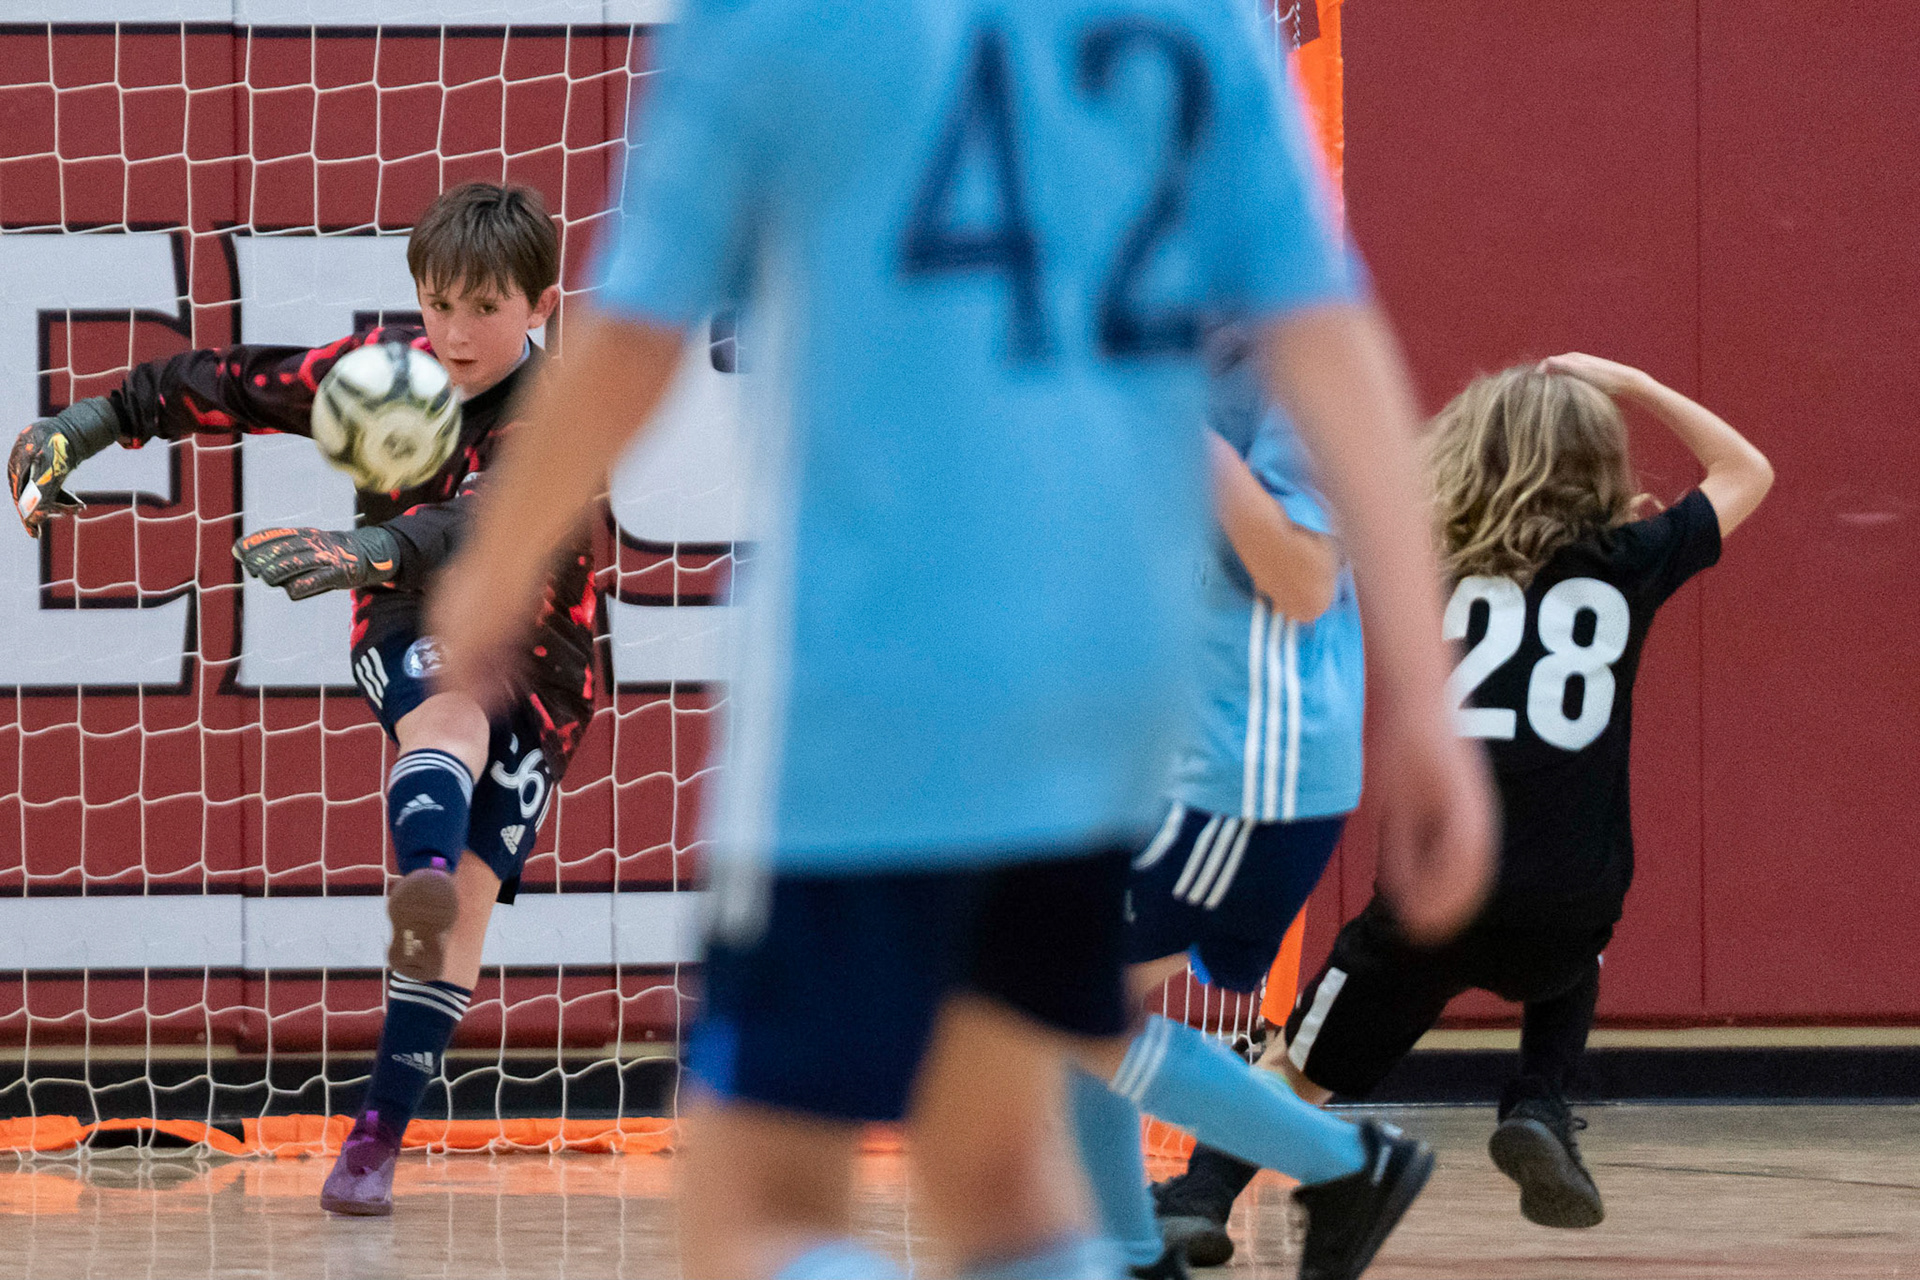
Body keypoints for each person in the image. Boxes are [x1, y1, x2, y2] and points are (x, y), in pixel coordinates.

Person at [426, 4, 1494, 1277]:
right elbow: (1332, 337)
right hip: (1102, 690)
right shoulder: (1192, 22)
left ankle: (1328, 1165)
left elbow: (630, 337)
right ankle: (1258, 1191)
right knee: (998, 1175)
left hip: (870, 677)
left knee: (755, 1210)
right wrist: (1425, 696)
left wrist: (495, 569)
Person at [6, 181, 588, 1218]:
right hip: (409, 615)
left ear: (542, 305)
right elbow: (234, 382)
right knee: (450, 717)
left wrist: (369, 545)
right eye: (439, 303)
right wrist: (92, 420)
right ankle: (419, 883)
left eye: (485, 308)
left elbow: (484, 521)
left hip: (541, 653)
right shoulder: (383, 375)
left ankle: (376, 1133)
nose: (455, 333)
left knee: (470, 911)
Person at [1152, 352, 1774, 1263]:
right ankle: (1540, 1103)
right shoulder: (1631, 561)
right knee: (1578, 940)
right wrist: (1636, 386)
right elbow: (1747, 470)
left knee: (1297, 1067)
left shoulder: (1421, 557)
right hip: (1567, 894)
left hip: (1434, 891)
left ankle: (1201, 1196)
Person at [1068, 329, 1425, 1280]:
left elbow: (1305, 579)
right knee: (1074, 1011)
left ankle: (1348, 1166)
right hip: (1185, 760)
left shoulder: (1291, 375)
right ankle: (1135, 1254)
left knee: (1058, 1006)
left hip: (1248, 770)